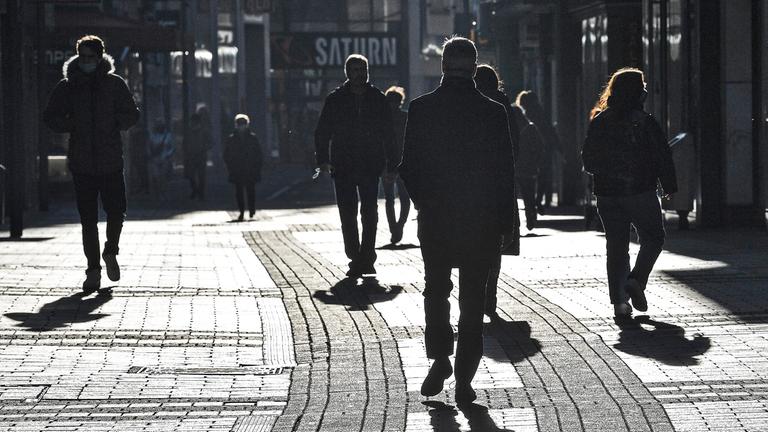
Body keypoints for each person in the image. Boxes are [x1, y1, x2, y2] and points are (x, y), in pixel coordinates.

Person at [399, 36, 517, 406]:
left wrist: (428, 203)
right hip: (480, 220)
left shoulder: (422, 109)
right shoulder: (493, 112)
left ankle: (439, 357)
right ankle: (465, 378)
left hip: (437, 218)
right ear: (475, 65)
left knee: (435, 290)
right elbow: (504, 172)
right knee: (472, 299)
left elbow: (409, 168)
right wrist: (506, 222)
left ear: (443, 66)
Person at [42, 34, 140, 292]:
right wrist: (71, 124)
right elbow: (50, 117)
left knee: (117, 211)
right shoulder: (68, 86)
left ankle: (111, 251)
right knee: (88, 220)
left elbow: (132, 114)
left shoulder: (114, 84)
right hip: (82, 162)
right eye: (82, 56)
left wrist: (115, 123)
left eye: (90, 57)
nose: (85, 61)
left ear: (100, 58)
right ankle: (93, 271)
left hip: (110, 159)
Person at [582, 67, 677, 319]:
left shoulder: (600, 121)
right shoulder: (645, 122)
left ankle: (620, 304)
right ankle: (636, 279)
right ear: (638, 93)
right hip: (640, 191)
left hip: (607, 195)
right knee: (653, 237)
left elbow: (588, 160)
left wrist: (606, 173)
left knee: (616, 246)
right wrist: (669, 186)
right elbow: (662, 155)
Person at [315, 54, 397, 278]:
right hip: (343, 164)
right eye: (356, 70)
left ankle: (366, 257)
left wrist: (391, 164)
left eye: (363, 69)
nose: (360, 73)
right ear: (348, 73)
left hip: (370, 164)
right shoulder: (336, 99)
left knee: (370, 212)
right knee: (347, 212)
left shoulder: (377, 98)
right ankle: (355, 254)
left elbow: (388, 133)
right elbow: (323, 130)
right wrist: (322, 159)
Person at [474, 64, 521, 318]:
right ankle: (489, 296)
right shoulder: (503, 105)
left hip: (470, 185)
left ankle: (474, 294)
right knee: (496, 242)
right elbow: (515, 143)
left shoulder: (469, 104)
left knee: (471, 243)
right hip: (499, 183)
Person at [382, 86, 411, 244]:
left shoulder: (382, 120)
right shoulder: (406, 118)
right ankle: (398, 227)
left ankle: (394, 228)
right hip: (402, 161)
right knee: (404, 198)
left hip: (387, 162)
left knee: (390, 198)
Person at [514, 91, 544, 231]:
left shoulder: (510, 130)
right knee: (529, 194)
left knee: (514, 196)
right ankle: (530, 215)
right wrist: (537, 162)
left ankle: (517, 222)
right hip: (529, 168)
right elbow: (540, 147)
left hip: (514, 168)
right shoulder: (531, 128)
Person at [224, 114, 263, 221]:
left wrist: (257, 166)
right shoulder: (232, 139)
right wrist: (230, 166)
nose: (241, 126)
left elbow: (258, 154)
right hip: (238, 169)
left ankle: (251, 208)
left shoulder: (252, 138)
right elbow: (227, 155)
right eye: (240, 124)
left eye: (243, 124)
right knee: (239, 192)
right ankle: (241, 211)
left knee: (250, 190)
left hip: (250, 168)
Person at [184, 112, 212, 200]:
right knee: (191, 175)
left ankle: (200, 193)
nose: (193, 123)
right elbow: (184, 143)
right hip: (191, 156)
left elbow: (211, 143)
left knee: (201, 176)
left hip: (201, 156)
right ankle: (196, 190)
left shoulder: (204, 131)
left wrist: (204, 148)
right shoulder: (189, 131)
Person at [147, 119, 174, 200]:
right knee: (155, 176)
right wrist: (150, 155)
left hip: (164, 159)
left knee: (163, 177)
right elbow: (149, 146)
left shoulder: (168, 136)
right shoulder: (152, 136)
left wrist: (168, 155)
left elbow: (172, 147)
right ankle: (157, 193)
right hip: (155, 159)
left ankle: (162, 193)